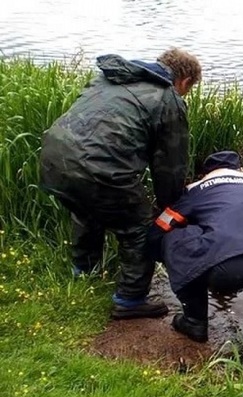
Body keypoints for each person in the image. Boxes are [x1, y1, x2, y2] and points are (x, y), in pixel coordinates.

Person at [40, 48, 203, 319]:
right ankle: (130, 299)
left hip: (53, 160)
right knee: (140, 227)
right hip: (99, 169)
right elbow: (170, 166)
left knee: (86, 209)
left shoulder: (108, 79)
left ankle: (84, 272)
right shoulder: (167, 98)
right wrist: (170, 207)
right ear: (185, 81)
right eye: (189, 89)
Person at [148, 151, 243, 350]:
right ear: (241, 170)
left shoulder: (197, 190)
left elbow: (164, 223)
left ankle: (195, 321)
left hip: (229, 268)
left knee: (174, 236)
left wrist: (152, 250)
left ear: (205, 174)